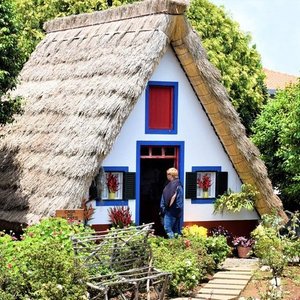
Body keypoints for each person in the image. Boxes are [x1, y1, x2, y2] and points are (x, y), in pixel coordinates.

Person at [160, 168, 183, 238]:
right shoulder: (177, 184)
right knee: (176, 230)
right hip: (175, 211)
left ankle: (173, 244)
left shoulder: (175, 185)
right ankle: (178, 245)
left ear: (171, 175)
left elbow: (179, 200)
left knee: (167, 228)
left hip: (171, 211)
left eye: (167, 174)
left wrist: (164, 209)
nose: (167, 176)